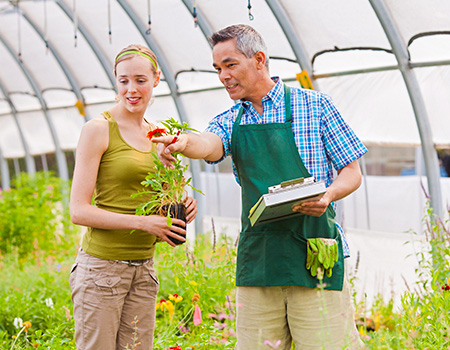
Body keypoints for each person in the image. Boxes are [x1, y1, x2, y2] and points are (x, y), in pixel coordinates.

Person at [154, 25, 367, 349]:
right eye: (217, 69)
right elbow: (208, 145)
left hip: (314, 252)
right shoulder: (230, 120)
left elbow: (352, 172)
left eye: (230, 64)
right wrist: (182, 141)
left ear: (259, 59)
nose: (223, 76)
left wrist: (328, 195)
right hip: (261, 257)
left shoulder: (315, 106)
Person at [69, 44, 198, 350]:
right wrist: (143, 224)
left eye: (140, 80)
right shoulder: (98, 130)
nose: (131, 89)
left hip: (143, 269)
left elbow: (163, 197)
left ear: (156, 79)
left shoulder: (159, 134)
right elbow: (78, 211)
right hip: (102, 269)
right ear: (115, 81)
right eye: (123, 80)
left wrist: (184, 200)